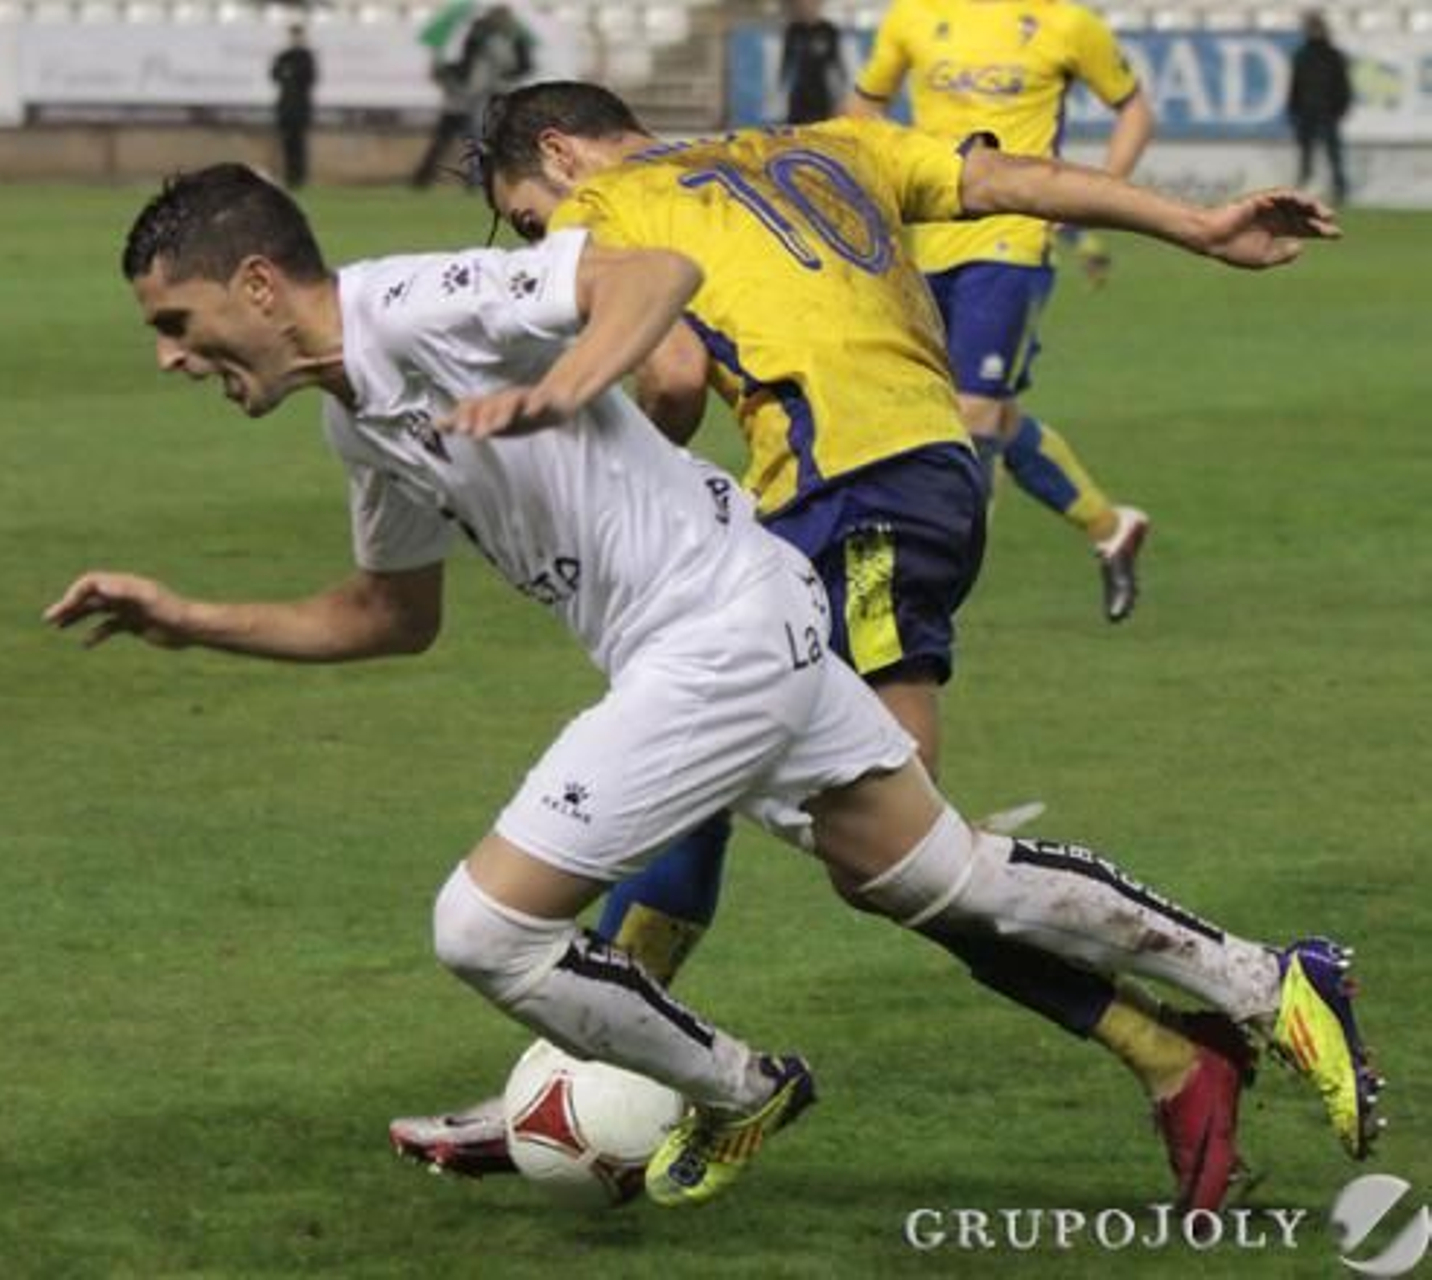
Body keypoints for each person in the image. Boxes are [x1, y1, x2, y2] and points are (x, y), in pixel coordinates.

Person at [52, 160, 1375, 1206]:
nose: (170, 355)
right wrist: (186, 618)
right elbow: (387, 617)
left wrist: (565, 382)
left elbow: (656, 273)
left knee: (481, 928)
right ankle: (1269, 979)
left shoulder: (417, 304)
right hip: (739, 617)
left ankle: (741, 1090)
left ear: (258, 283)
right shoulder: (360, 419)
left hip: (714, 636)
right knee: (948, 878)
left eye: (177, 322)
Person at [387, 80, 1355, 1211]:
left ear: (560, 154)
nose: (550, 247)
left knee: (900, 854)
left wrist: (614, 476)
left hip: (843, 494)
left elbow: (675, 376)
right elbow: (1008, 179)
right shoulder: (827, 142)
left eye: (533, 220)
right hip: (924, 476)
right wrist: (1195, 224)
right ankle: (584, 1082)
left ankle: (1246, 994)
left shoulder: (612, 207)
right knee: (757, 800)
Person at [845, 0, 1156, 624]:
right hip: (927, 242)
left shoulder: (1063, 22)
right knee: (978, 413)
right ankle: (1110, 526)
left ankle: (938, 594)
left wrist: (1095, 195)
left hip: (1012, 243)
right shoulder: (912, 16)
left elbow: (1134, 111)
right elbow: (861, 109)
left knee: (974, 415)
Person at [410, 4, 534, 190]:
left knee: (489, 140)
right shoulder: (481, 38)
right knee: (477, 139)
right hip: (479, 96)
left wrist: (508, 74)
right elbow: (466, 68)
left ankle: (488, 178)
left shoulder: (508, 40)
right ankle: (476, 178)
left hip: (492, 94)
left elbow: (524, 65)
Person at [1288, 11, 1352, 206]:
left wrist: (1339, 110)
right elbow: (1295, 86)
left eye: (1316, 27)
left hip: (1328, 113)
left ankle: (1340, 190)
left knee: (1334, 155)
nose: (1314, 31)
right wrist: (1294, 110)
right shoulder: (1301, 55)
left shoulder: (1334, 56)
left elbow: (1343, 86)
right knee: (1306, 156)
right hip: (1306, 113)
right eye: (1311, 27)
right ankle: (1302, 190)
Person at [779, 0, 846, 125]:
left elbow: (837, 64)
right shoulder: (793, 30)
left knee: (822, 130)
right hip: (800, 91)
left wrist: (840, 93)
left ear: (819, 4)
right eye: (804, 3)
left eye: (812, 3)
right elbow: (786, 62)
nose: (808, 6)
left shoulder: (829, 30)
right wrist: (780, 90)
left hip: (822, 92)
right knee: (795, 129)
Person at [269, 24, 318, 190]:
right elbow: (274, 74)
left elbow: (309, 78)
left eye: (298, 35)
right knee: (287, 144)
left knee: (300, 145)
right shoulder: (283, 55)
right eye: (293, 35)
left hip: (301, 108)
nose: (295, 39)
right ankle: (289, 177)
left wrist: (291, 73)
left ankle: (300, 178)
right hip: (285, 108)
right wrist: (287, 73)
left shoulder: (307, 56)